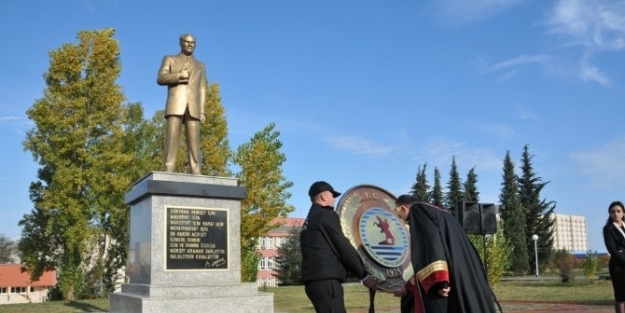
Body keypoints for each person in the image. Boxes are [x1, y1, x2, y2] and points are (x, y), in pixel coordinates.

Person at [393, 195, 496, 313]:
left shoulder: (418, 210)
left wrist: (440, 281)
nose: (404, 221)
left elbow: (430, 246)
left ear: (403, 209)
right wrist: (409, 287)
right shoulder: (441, 213)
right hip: (461, 273)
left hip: (443, 286)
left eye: (400, 216)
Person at [300, 181, 377, 313]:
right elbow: (343, 247)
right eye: (332, 195)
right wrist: (363, 275)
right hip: (326, 282)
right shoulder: (325, 215)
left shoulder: (310, 219)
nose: (334, 199)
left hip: (315, 283)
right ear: (324, 197)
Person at [157, 33, 207, 174]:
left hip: (194, 107)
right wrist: (178, 76)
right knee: (172, 140)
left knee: (194, 143)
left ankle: (196, 171)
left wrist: (202, 110)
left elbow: (202, 88)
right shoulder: (170, 59)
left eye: (193, 42)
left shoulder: (200, 66)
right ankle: (168, 170)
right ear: (180, 43)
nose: (190, 45)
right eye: (187, 42)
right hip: (175, 104)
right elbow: (161, 78)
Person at [603, 201, 625, 313]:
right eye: (612, 212)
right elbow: (612, 249)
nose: (615, 214)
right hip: (618, 266)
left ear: (623, 213)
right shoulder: (608, 229)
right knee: (621, 296)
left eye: (618, 211)